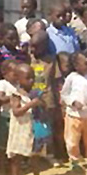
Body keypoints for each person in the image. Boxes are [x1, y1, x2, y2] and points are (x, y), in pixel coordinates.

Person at [7, 63, 48, 175]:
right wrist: (31, 104)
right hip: (21, 129)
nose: (31, 80)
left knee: (35, 155)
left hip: (33, 128)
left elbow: (44, 106)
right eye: (27, 78)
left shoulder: (35, 93)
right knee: (17, 157)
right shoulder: (16, 94)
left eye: (32, 77)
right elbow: (16, 112)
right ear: (18, 79)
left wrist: (41, 102)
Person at [61, 52, 87, 170]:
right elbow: (64, 94)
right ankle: (74, 161)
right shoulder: (71, 78)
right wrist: (73, 102)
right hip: (73, 115)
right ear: (76, 65)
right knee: (72, 140)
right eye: (86, 63)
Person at [28, 31, 61, 166]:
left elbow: (57, 81)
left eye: (36, 47)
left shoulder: (51, 61)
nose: (33, 49)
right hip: (30, 100)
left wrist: (59, 100)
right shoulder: (27, 58)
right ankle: (31, 155)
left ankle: (49, 154)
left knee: (48, 127)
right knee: (31, 128)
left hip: (48, 98)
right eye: (32, 46)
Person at [0, 60, 19, 172]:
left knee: (15, 143)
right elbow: (0, 98)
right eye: (14, 73)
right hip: (5, 117)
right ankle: (1, 166)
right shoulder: (2, 83)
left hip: (17, 119)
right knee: (2, 143)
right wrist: (13, 97)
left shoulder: (19, 84)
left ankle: (14, 166)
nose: (16, 76)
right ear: (5, 73)